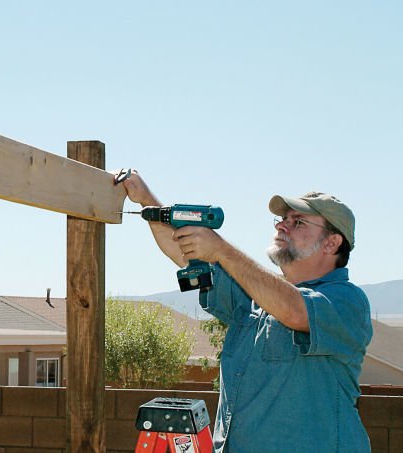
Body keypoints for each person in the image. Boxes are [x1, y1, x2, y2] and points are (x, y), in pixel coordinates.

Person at [120, 171, 372, 453]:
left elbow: (295, 311)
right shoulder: (255, 296)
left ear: (331, 243)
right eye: (282, 219)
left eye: (298, 222)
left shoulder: (347, 302)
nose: (282, 226)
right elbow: (186, 251)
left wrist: (221, 250)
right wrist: (147, 202)